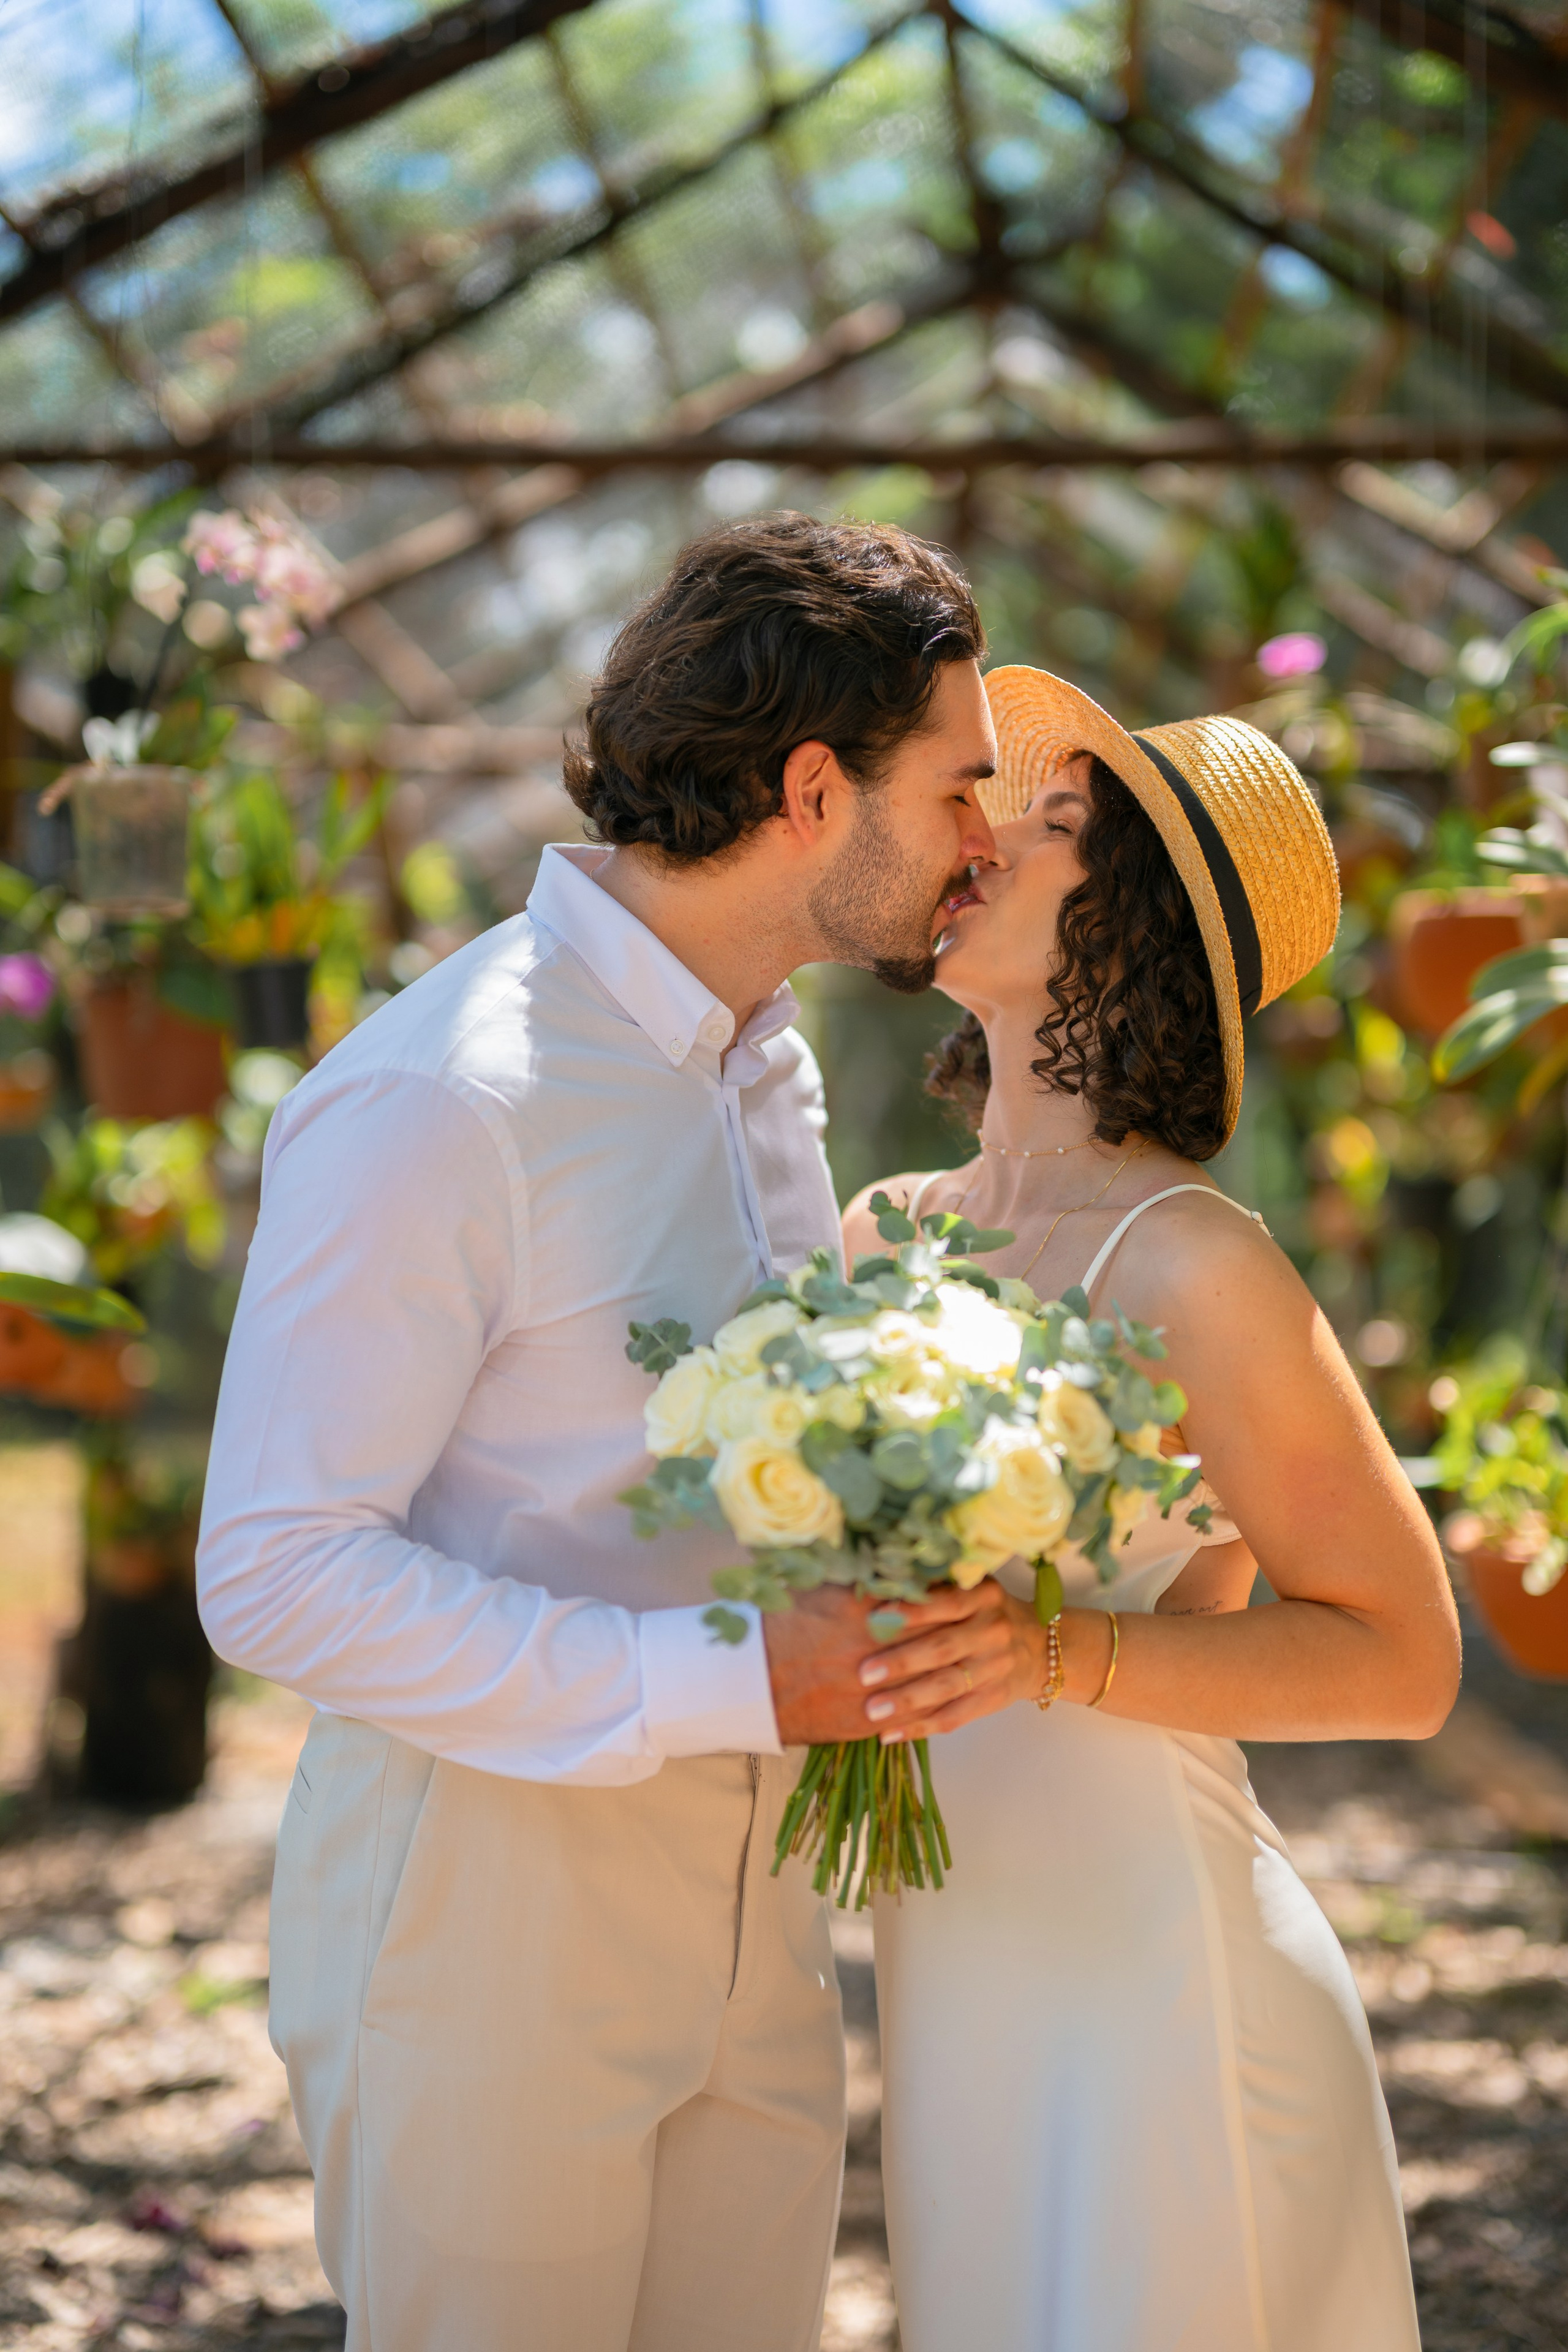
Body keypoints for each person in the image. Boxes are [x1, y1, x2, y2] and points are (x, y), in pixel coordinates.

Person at [195, 514, 1017, 2352]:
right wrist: (732, 1677)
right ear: (815, 789)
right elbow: (274, 1572)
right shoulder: (443, 1094)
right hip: (487, 1916)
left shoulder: (767, 1062)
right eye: (961, 787)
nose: (987, 837)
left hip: (764, 1903)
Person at [841, 667, 1461, 2352]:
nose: (983, 839)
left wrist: (1050, 1656)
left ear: (1133, 932)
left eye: (1050, 824)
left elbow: (1405, 1659)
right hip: (950, 1960)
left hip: (1161, 1980)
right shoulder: (881, 1232)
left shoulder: (1195, 1263)